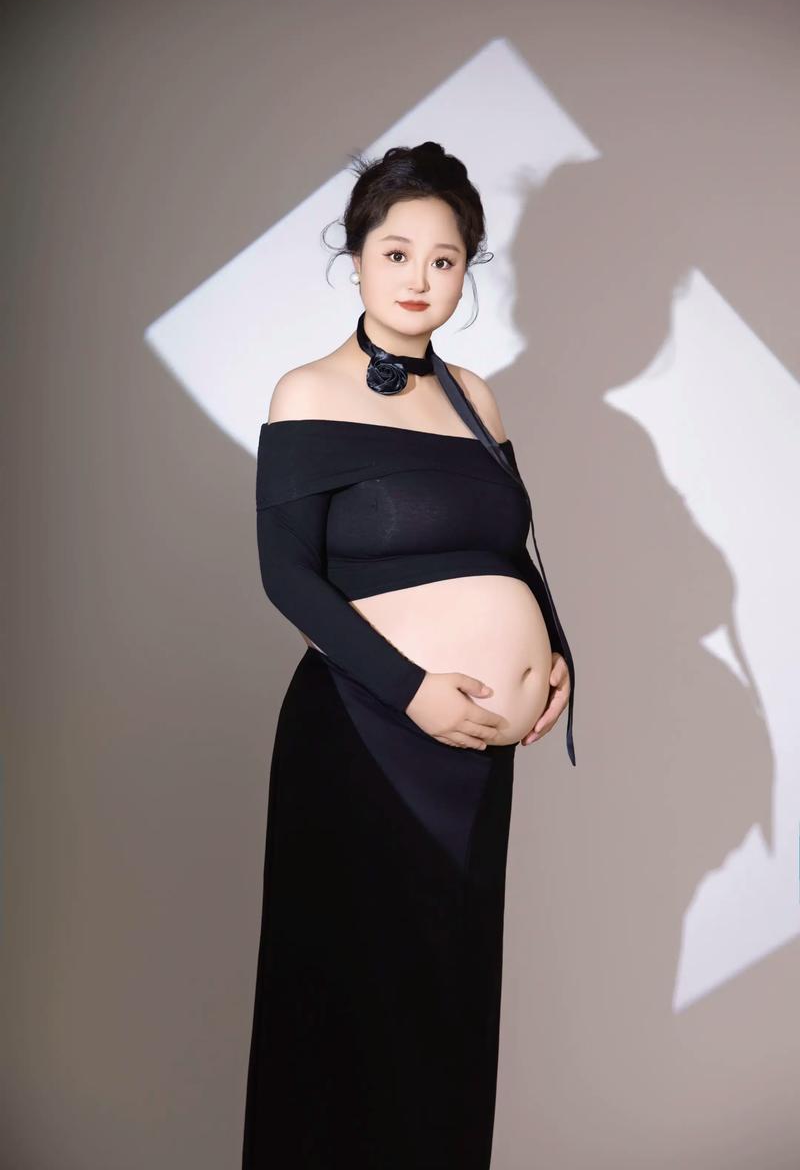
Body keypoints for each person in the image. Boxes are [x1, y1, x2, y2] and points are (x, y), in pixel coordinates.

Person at [242, 141, 575, 1169]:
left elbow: (505, 548)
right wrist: (412, 690)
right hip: (365, 734)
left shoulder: (477, 398)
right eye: (397, 254)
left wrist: (556, 654)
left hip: (474, 756)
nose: (420, 279)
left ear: (466, 270)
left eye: (444, 259)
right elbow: (288, 578)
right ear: (356, 261)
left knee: (447, 1005)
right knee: (352, 1006)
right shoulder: (306, 392)